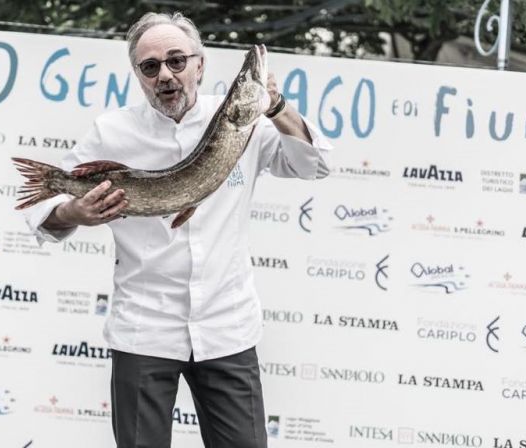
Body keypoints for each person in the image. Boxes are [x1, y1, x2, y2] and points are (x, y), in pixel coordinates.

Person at [24, 12, 331, 448]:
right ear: (138, 75)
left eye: (176, 61)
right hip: (144, 330)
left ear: (200, 65)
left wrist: (277, 108)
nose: (165, 75)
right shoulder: (110, 132)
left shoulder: (242, 125)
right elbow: (45, 211)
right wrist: (75, 212)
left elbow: (312, 164)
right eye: (151, 67)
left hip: (228, 329)